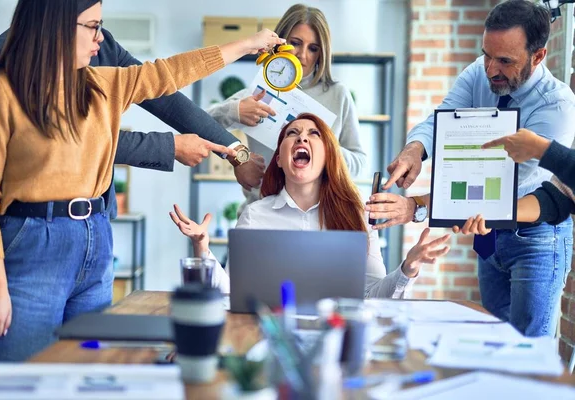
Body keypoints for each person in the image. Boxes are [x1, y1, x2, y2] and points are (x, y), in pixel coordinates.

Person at [0, 0, 284, 365]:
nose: (101, 37)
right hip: (33, 245)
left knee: (89, 374)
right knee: (20, 380)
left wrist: (248, 45)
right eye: (92, 26)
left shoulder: (99, 84)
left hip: (95, 241)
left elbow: (168, 74)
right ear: (55, 27)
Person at [373, 0, 575, 336]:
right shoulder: (477, 73)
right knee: (495, 339)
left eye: (505, 60)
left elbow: (500, 183)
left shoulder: (557, 107)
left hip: (535, 237)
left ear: (538, 56)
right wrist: (415, 150)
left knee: (527, 349)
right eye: (487, 54)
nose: (490, 68)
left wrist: (416, 207)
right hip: (490, 235)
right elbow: (441, 121)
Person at [0, 27, 266, 220]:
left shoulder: (101, 44)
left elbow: (164, 93)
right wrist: (168, 147)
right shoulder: (11, 53)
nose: (98, 35)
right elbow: (66, 139)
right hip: (32, 224)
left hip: (96, 221)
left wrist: (236, 154)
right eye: (92, 24)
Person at [170, 113, 450, 298]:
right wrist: (203, 248)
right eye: (293, 133)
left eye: (313, 134)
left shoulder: (356, 216)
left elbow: (373, 296)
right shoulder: (255, 215)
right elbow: (232, 293)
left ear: (328, 156)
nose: (302, 137)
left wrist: (408, 267)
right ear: (278, 158)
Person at [207, 4, 367, 207]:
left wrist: (323, 148)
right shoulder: (260, 91)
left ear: (322, 53)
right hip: (261, 213)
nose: (303, 55)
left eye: (313, 48)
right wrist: (235, 122)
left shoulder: (338, 94)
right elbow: (199, 125)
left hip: (321, 217)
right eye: (296, 43)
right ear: (280, 42)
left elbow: (359, 164)